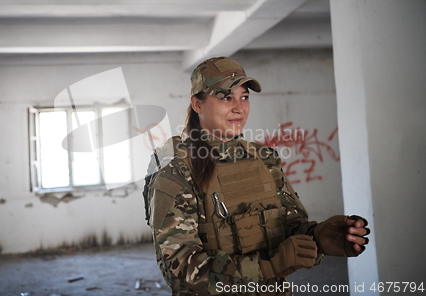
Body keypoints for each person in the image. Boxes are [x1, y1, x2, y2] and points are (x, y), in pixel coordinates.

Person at [143, 57, 370, 296]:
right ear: (197, 104)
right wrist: (268, 266)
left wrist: (319, 237)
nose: (239, 107)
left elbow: (288, 227)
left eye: (245, 97)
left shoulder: (264, 158)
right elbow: (179, 271)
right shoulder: (176, 170)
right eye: (226, 97)